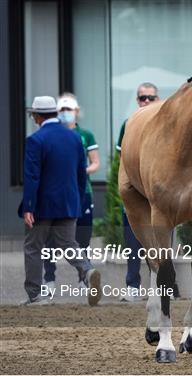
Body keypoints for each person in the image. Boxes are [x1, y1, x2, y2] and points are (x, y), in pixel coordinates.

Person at [19, 96, 101, 306]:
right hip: (69, 202)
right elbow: (81, 174)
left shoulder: (35, 140)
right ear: (55, 113)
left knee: (33, 247)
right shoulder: (74, 138)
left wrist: (28, 206)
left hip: (42, 206)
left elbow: (32, 176)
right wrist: (79, 200)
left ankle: (35, 295)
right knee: (68, 244)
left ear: (37, 116)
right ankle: (87, 270)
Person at [43, 94, 100, 290]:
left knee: (81, 238)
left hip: (82, 191)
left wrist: (79, 171)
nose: (66, 113)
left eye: (69, 110)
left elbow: (95, 163)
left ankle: (84, 277)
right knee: (49, 238)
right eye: (62, 110)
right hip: (56, 193)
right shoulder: (50, 134)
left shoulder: (85, 135)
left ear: (76, 111)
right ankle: (48, 279)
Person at [117, 82, 159, 301]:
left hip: (158, 197)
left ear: (157, 99)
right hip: (136, 194)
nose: (146, 102)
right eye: (143, 98)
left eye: (151, 98)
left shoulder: (164, 124)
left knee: (161, 245)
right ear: (137, 100)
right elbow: (122, 160)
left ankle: (160, 286)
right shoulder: (129, 124)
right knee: (133, 245)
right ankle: (133, 286)